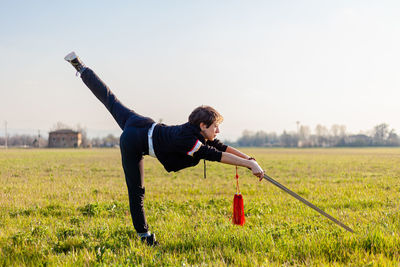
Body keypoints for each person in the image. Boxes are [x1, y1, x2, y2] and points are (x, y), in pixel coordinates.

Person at [64, 52, 265, 246]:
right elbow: (217, 156)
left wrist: (250, 161)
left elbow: (222, 147)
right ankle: (144, 235)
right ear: (203, 126)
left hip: (141, 123)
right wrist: (248, 164)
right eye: (215, 127)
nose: (218, 130)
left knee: (110, 100)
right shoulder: (190, 141)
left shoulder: (196, 132)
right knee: (137, 192)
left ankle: (81, 68)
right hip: (134, 141)